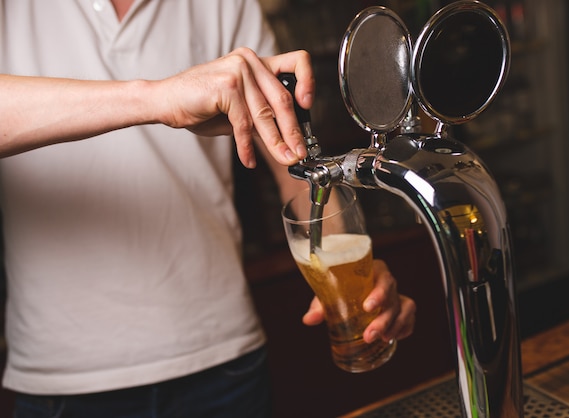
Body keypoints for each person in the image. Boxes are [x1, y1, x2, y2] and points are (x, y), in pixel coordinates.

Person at [0, 1, 416, 417]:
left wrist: (350, 273)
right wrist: (157, 97)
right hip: (63, 376)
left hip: (222, 360)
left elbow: (295, 165)